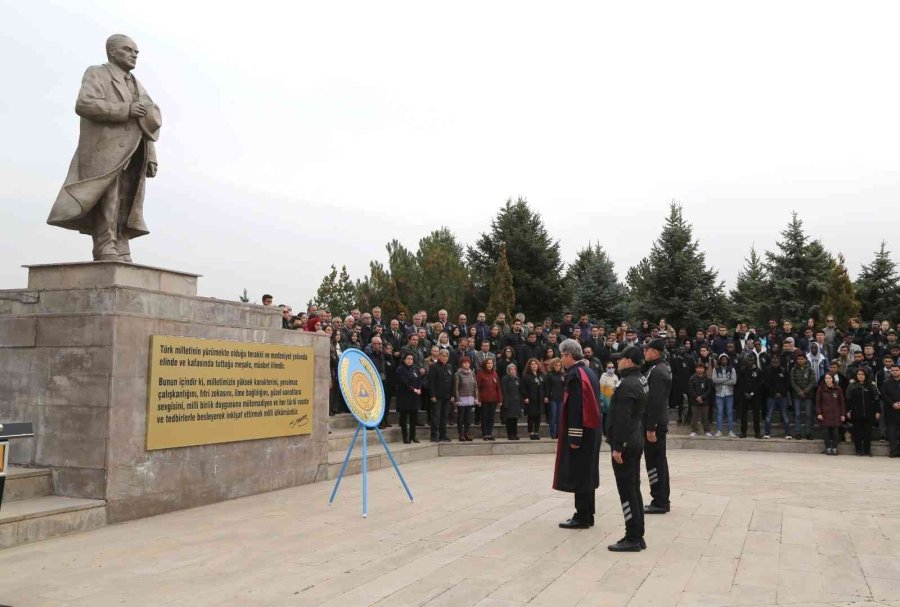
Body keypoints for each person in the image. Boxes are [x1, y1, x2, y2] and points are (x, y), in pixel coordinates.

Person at [553, 339, 602, 530]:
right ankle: (587, 513)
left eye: (562, 356)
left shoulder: (575, 375)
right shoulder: (588, 371)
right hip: (592, 431)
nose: (561, 360)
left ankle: (582, 516)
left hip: (582, 432)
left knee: (581, 473)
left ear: (568, 355)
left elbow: (576, 409)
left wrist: (574, 437)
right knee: (587, 473)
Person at [606, 345, 647, 551]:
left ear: (629, 361)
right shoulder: (639, 379)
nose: (617, 362)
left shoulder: (627, 386)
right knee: (634, 487)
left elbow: (623, 420)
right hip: (635, 439)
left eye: (621, 359)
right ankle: (638, 534)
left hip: (626, 443)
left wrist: (618, 447)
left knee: (627, 490)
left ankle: (632, 536)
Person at [641, 339, 672, 515]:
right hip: (655, 422)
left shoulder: (658, 372)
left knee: (656, 462)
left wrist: (651, 426)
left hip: (655, 423)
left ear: (655, 352)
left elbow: (655, 401)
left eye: (647, 350)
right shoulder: (658, 368)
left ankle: (660, 501)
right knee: (656, 461)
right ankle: (660, 499)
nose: (644, 352)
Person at [846, 368, 880, 456]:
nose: (860, 376)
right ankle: (858, 451)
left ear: (865, 375)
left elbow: (876, 399)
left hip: (869, 413)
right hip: (856, 413)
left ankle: (867, 451)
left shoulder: (871, 386)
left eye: (862, 374)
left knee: (868, 433)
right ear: (856, 376)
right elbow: (848, 400)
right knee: (857, 433)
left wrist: (877, 411)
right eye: (858, 374)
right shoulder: (852, 386)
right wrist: (848, 411)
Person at [815, 372, 846, 455]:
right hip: (825, 414)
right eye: (826, 378)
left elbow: (842, 403)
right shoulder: (820, 389)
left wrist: (843, 414)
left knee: (836, 433)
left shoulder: (838, 389)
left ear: (833, 379)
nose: (828, 380)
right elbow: (818, 402)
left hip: (836, 414)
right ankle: (828, 448)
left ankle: (835, 448)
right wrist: (819, 413)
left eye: (829, 378)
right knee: (826, 432)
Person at [426, 350, 453, 442]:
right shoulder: (433, 366)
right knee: (436, 416)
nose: (445, 358)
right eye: (443, 356)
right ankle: (434, 435)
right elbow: (431, 382)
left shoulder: (449, 367)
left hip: (447, 396)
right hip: (437, 396)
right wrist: (432, 395)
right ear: (439, 356)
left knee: (445, 416)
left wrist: (452, 394)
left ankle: (443, 435)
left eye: (446, 356)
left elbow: (451, 381)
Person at [395, 353, 422, 444]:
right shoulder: (400, 370)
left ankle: (413, 436)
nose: (410, 360)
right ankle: (405, 437)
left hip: (414, 398)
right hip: (404, 397)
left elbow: (419, 380)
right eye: (408, 358)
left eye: (411, 359)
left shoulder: (414, 368)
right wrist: (414, 389)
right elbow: (404, 383)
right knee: (404, 419)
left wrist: (419, 389)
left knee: (413, 419)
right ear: (404, 359)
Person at [763, 356, 792, 439]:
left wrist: (781, 393)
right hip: (771, 396)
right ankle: (767, 433)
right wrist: (775, 393)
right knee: (769, 415)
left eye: (776, 362)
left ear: (779, 363)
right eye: (773, 362)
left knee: (785, 415)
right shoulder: (767, 371)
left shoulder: (784, 371)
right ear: (771, 362)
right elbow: (766, 384)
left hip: (783, 396)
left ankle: (788, 434)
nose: (775, 364)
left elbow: (787, 384)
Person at [790, 351, 817, 440]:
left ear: (805, 360)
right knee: (797, 414)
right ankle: (798, 432)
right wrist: (799, 391)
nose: (800, 360)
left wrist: (805, 391)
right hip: (797, 395)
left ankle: (808, 432)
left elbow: (813, 382)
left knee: (809, 415)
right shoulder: (793, 369)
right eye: (798, 359)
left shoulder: (810, 369)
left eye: (802, 359)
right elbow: (792, 382)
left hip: (808, 395)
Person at [736, 354, 763, 439]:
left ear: (754, 360)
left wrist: (752, 393)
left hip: (755, 395)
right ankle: (743, 432)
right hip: (744, 395)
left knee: (756, 415)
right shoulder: (742, 370)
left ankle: (757, 433)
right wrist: (745, 392)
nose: (749, 361)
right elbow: (740, 383)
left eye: (751, 360)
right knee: (743, 414)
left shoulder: (758, 371)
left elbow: (760, 384)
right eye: (748, 360)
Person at [452, 357, 478, 441]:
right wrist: (458, 399)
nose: (466, 364)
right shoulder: (458, 374)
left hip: (470, 397)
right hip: (462, 398)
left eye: (468, 363)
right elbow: (455, 388)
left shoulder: (472, 373)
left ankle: (467, 433)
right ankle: (461, 434)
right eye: (465, 363)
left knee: (468, 417)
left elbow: (475, 386)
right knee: (461, 417)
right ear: (461, 364)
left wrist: (476, 397)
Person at [712, 353, 737, 438]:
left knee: (730, 413)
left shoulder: (732, 369)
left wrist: (721, 381)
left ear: (728, 360)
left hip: (729, 394)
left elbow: (734, 381)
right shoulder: (715, 369)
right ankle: (719, 431)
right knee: (720, 413)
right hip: (719, 394)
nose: (724, 361)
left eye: (725, 359)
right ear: (719, 361)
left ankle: (731, 431)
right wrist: (726, 379)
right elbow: (714, 380)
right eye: (722, 359)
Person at [521, 358, 547, 440]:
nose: (534, 365)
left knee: (538, 417)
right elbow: (523, 388)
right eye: (532, 364)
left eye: (535, 364)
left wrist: (545, 396)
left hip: (540, 399)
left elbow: (545, 387)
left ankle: (536, 432)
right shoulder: (526, 376)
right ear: (529, 366)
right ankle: (531, 432)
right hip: (531, 399)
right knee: (531, 416)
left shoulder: (542, 375)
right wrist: (525, 397)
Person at [476, 357, 501, 441]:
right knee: (484, 417)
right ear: (485, 364)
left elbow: (498, 387)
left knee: (491, 417)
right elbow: (477, 388)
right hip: (484, 399)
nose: (490, 365)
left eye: (491, 363)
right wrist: (478, 399)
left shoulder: (495, 374)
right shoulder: (480, 374)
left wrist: (500, 399)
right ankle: (485, 434)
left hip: (493, 399)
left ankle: (490, 433)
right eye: (488, 363)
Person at [687, 363, 713, 437]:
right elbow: (690, 390)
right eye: (698, 368)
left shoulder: (707, 379)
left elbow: (709, 390)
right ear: (696, 369)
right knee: (694, 417)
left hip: (705, 401)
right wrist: (697, 397)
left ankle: (707, 431)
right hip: (694, 401)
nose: (700, 370)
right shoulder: (692, 378)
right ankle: (694, 430)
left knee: (705, 417)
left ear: (704, 369)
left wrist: (702, 397)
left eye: (701, 368)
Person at [880, 364, 900, 457]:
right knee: (892, 432)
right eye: (893, 370)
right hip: (891, 410)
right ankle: (893, 451)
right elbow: (884, 395)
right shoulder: (886, 382)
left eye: (896, 370)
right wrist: (892, 404)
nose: (894, 371)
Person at [501, 364, 522, 440]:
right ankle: (510, 434)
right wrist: (505, 402)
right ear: (508, 371)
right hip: (509, 401)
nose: (513, 371)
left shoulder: (517, 379)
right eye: (511, 370)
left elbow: (519, 390)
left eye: (514, 370)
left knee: (515, 419)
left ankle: (515, 434)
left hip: (516, 402)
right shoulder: (505, 379)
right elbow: (504, 391)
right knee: (509, 419)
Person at [546, 358, 565, 440]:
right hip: (552, 398)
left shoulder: (563, 374)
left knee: (560, 417)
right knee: (553, 416)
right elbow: (547, 386)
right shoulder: (549, 374)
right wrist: (546, 396)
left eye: (559, 365)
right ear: (553, 366)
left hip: (561, 398)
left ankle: (559, 433)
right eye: (556, 365)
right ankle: (552, 434)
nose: (558, 367)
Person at [599, 361, 619, 437]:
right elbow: (601, 389)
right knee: (606, 417)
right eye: (609, 367)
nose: (611, 369)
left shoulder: (615, 376)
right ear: (606, 368)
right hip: (605, 399)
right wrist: (601, 400)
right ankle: (605, 432)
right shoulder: (603, 376)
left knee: (613, 416)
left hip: (613, 399)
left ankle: (611, 431)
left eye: (612, 367)